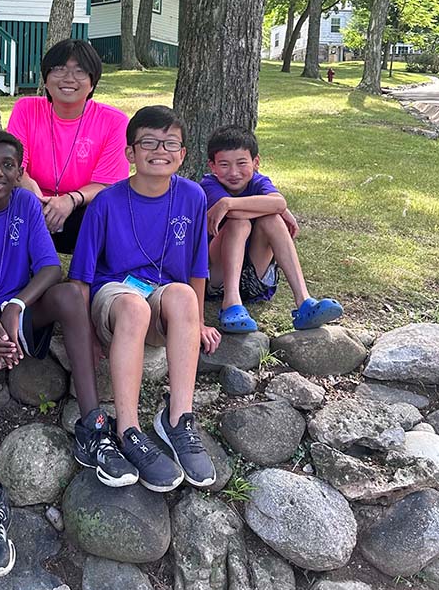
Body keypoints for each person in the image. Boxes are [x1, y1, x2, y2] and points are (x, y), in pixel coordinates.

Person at [0, 130, 137, 579]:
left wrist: (17, 305)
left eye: (8, 165)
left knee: (67, 297)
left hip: (15, 308)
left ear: (20, 170)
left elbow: (49, 267)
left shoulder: (26, 206)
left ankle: (92, 428)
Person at [70, 106, 220, 491]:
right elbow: (82, 277)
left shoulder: (191, 197)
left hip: (160, 298)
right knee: (134, 305)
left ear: (183, 154)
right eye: (149, 142)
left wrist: (199, 321)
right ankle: (128, 428)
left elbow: (197, 268)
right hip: (116, 301)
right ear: (130, 153)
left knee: (184, 296)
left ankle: (178, 420)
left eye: (171, 143)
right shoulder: (105, 202)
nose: (160, 150)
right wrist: (87, 334)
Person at [202, 125, 343, 333]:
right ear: (212, 166)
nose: (233, 172)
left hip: (254, 279)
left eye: (241, 163)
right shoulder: (209, 185)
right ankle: (230, 303)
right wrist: (237, 207)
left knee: (272, 219)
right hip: (216, 279)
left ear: (256, 162)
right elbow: (239, 214)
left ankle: (304, 302)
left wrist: (228, 204)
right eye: (224, 164)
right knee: (238, 223)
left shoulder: (259, 182)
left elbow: (278, 203)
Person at [6, 39, 130, 254]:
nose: (68, 78)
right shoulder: (26, 109)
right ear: (45, 79)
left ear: (92, 82)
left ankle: (83, 283)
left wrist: (70, 200)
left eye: (80, 71)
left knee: (107, 213)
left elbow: (106, 184)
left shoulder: (114, 121)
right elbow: (15, 166)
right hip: (32, 202)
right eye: (59, 69)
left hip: (82, 208)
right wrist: (33, 194)